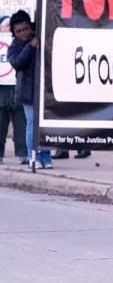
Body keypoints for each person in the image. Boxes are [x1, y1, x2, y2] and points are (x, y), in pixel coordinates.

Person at [7, 10, 52, 169]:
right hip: (27, 92)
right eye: (19, 31)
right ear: (14, 33)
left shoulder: (39, 37)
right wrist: (30, 47)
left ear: (30, 27)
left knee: (45, 125)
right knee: (32, 124)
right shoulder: (14, 47)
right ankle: (34, 156)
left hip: (44, 89)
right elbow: (18, 63)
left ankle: (46, 157)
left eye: (25, 29)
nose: (23, 33)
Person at [0, 16, 27, 164]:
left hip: (16, 88)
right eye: (4, 25)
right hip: (1, 92)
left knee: (20, 124)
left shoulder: (19, 43)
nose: (6, 29)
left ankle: (23, 154)